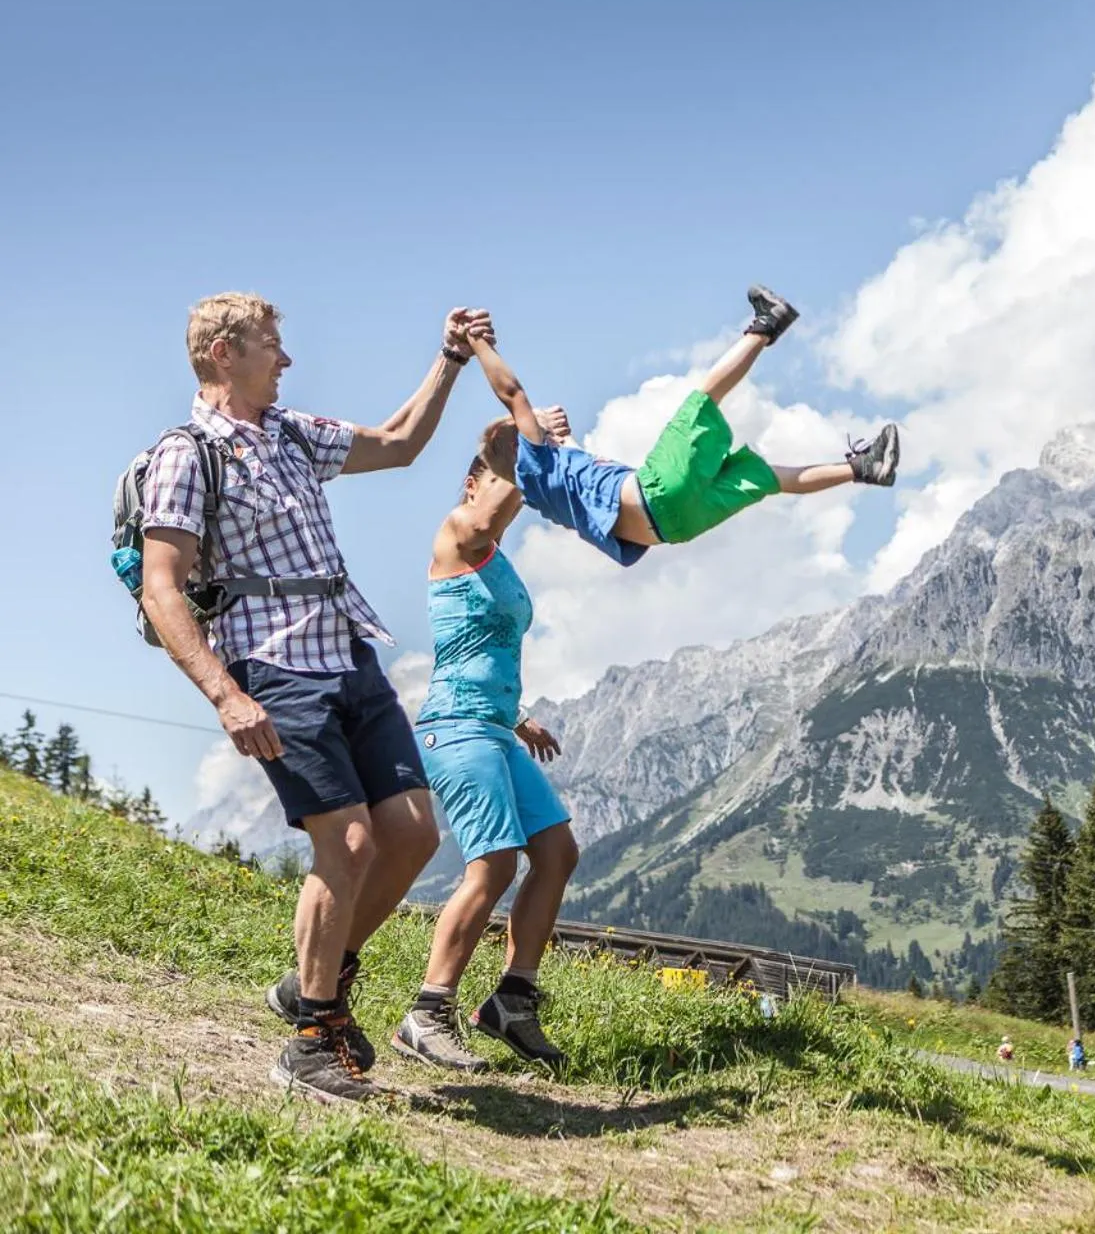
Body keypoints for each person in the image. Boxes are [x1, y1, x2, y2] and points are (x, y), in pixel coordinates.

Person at [141, 293, 485, 1102]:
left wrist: (451, 360)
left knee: (409, 833)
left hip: (347, 651)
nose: (286, 359)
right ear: (225, 352)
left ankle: (312, 983)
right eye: (272, 344)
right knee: (350, 845)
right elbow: (163, 590)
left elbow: (399, 444)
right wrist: (227, 697)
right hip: (270, 664)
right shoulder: (188, 454)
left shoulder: (293, 433)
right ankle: (311, 1040)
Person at [388, 428, 580, 1073]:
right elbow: (490, 510)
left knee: (556, 851)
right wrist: (530, 441)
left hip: (494, 728)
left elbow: (480, 650)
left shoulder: (498, 561)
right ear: (473, 485)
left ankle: (513, 1001)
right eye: (501, 479)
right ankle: (428, 1011)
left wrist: (519, 718)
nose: (512, 496)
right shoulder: (456, 536)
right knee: (494, 864)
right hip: (455, 728)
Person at [465, 287, 898, 570]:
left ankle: (864, 467)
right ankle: (766, 325)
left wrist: (563, 436)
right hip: (658, 491)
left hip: (675, 528)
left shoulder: (547, 482)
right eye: (531, 421)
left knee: (772, 478)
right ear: (521, 440)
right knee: (701, 401)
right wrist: (478, 342)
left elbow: (577, 462)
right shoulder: (534, 461)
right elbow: (513, 392)